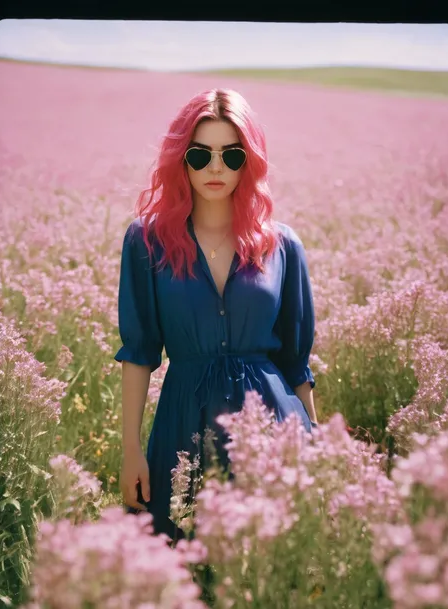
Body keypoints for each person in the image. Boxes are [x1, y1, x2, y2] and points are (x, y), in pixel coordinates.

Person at [114, 88, 318, 542]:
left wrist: (317, 444)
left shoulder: (283, 245)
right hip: (182, 425)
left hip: (274, 430)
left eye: (232, 155)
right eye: (200, 154)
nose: (216, 168)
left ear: (251, 161)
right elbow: (140, 351)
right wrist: (130, 449)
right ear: (180, 159)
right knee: (181, 565)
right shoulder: (146, 242)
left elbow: (295, 360)